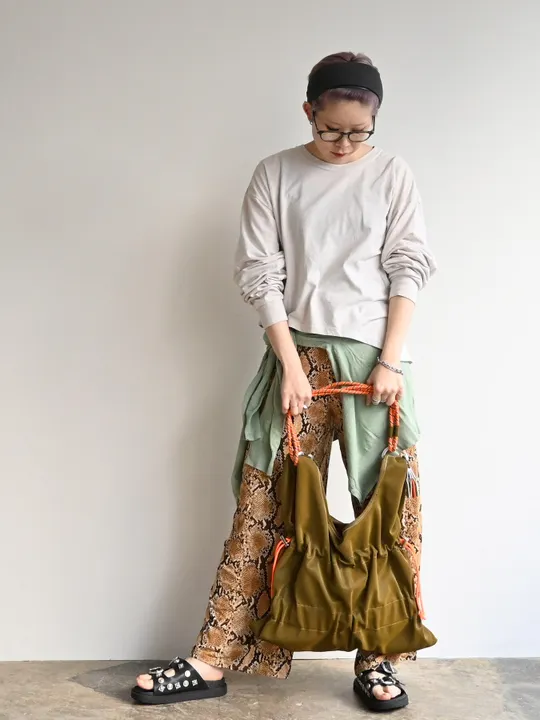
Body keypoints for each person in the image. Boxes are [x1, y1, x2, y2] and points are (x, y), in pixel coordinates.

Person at [131, 50, 437, 712]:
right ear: (308, 112)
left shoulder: (392, 174)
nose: (345, 144)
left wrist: (390, 361)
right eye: (331, 130)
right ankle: (212, 658)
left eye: (359, 132)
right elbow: (259, 270)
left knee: (387, 513)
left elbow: (408, 266)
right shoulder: (275, 173)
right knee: (264, 506)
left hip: (376, 365)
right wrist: (292, 365)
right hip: (295, 359)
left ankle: (379, 659)